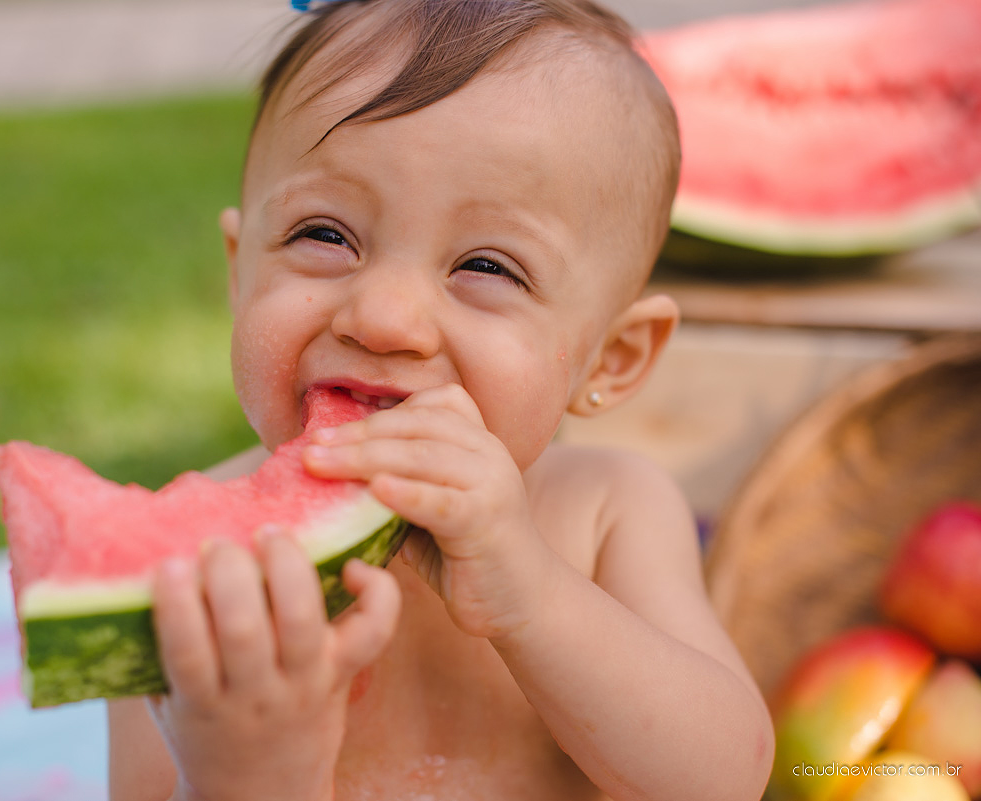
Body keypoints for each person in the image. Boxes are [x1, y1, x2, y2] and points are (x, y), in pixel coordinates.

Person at [108, 0, 774, 798]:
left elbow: (722, 779)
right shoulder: (182, 559)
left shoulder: (609, 510)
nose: (384, 318)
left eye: (487, 267)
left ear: (612, 357)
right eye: (325, 235)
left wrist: (531, 592)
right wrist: (238, 771)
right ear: (238, 269)